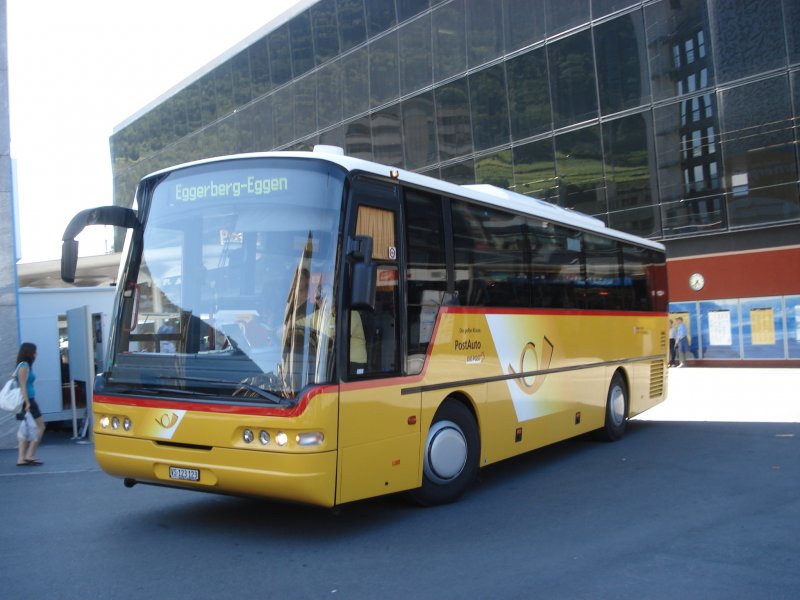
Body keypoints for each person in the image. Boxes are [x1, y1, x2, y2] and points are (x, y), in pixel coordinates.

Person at [15, 342, 45, 466]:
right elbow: (22, 386)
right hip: (28, 401)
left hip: (27, 400)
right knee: (40, 426)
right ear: (29, 353)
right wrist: (27, 402)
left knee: (25, 429)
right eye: (34, 351)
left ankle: (21, 458)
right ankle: (30, 455)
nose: (36, 354)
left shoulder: (24, 365)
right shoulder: (24, 366)